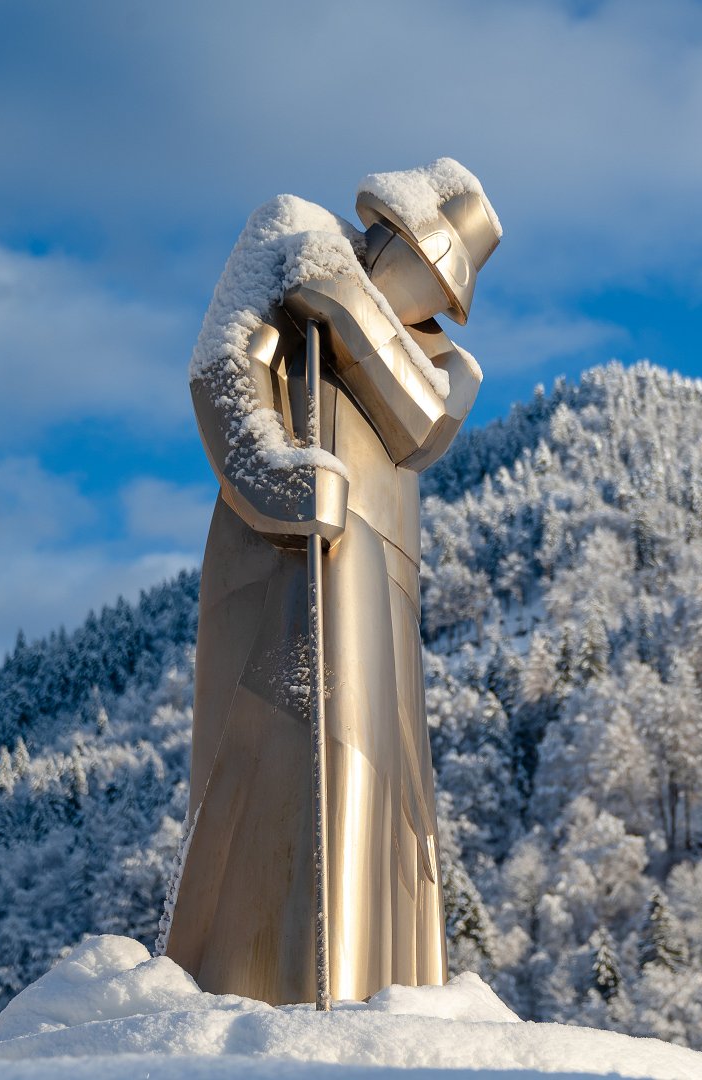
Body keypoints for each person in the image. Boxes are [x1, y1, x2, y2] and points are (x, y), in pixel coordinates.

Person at [162, 159, 501, 1005]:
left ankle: (374, 989)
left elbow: (419, 422)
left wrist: (340, 302)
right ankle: (256, 985)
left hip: (383, 570)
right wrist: (266, 467)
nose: (421, 298)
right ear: (386, 230)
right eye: (416, 267)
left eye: (438, 293)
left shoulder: (451, 367)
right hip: (282, 552)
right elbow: (222, 362)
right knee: (284, 746)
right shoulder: (288, 231)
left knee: (381, 788)